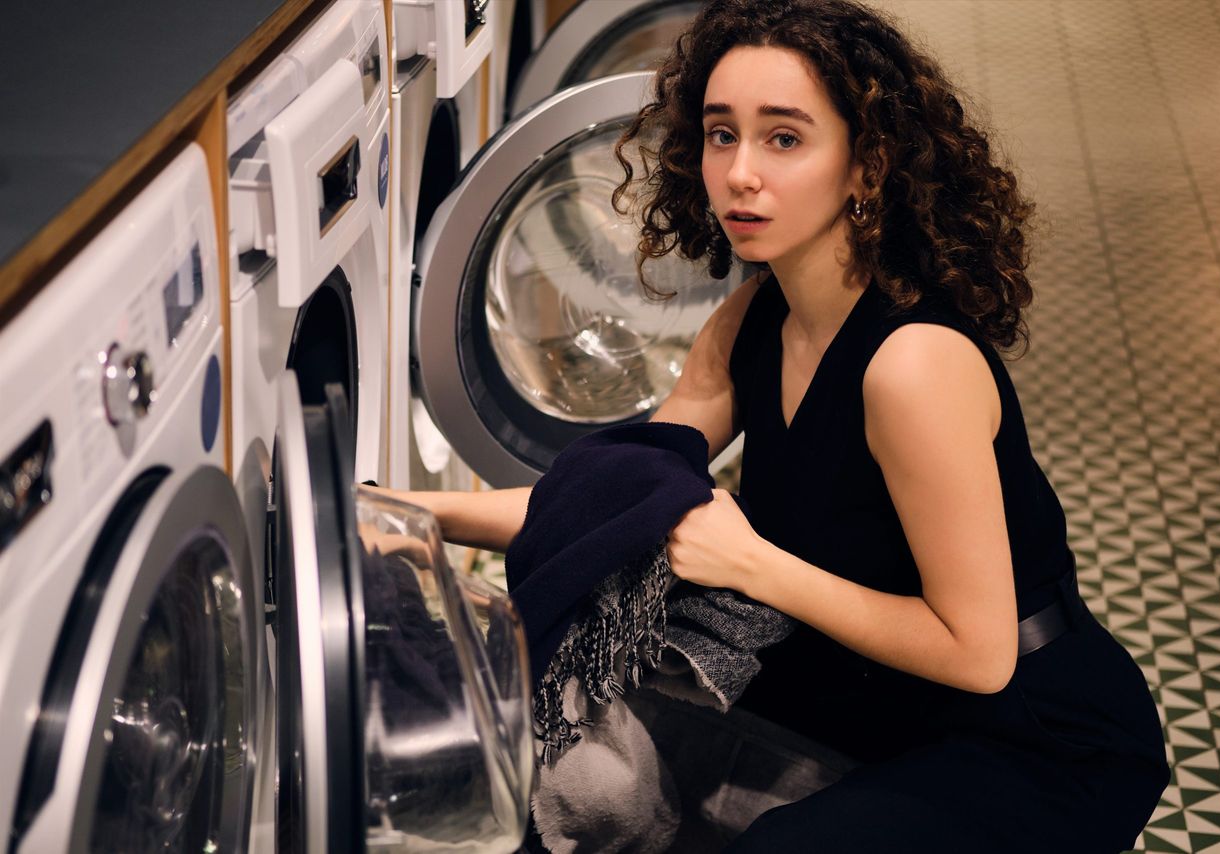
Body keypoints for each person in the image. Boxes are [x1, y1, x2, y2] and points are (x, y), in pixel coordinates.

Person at [379, 0, 1170, 849]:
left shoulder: (913, 366)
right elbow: (617, 499)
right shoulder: (755, 318)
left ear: (867, 167)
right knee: (583, 736)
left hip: (1034, 736)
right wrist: (412, 515)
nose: (740, 173)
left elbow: (979, 653)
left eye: (784, 138)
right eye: (723, 134)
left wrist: (755, 565)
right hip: (870, 687)